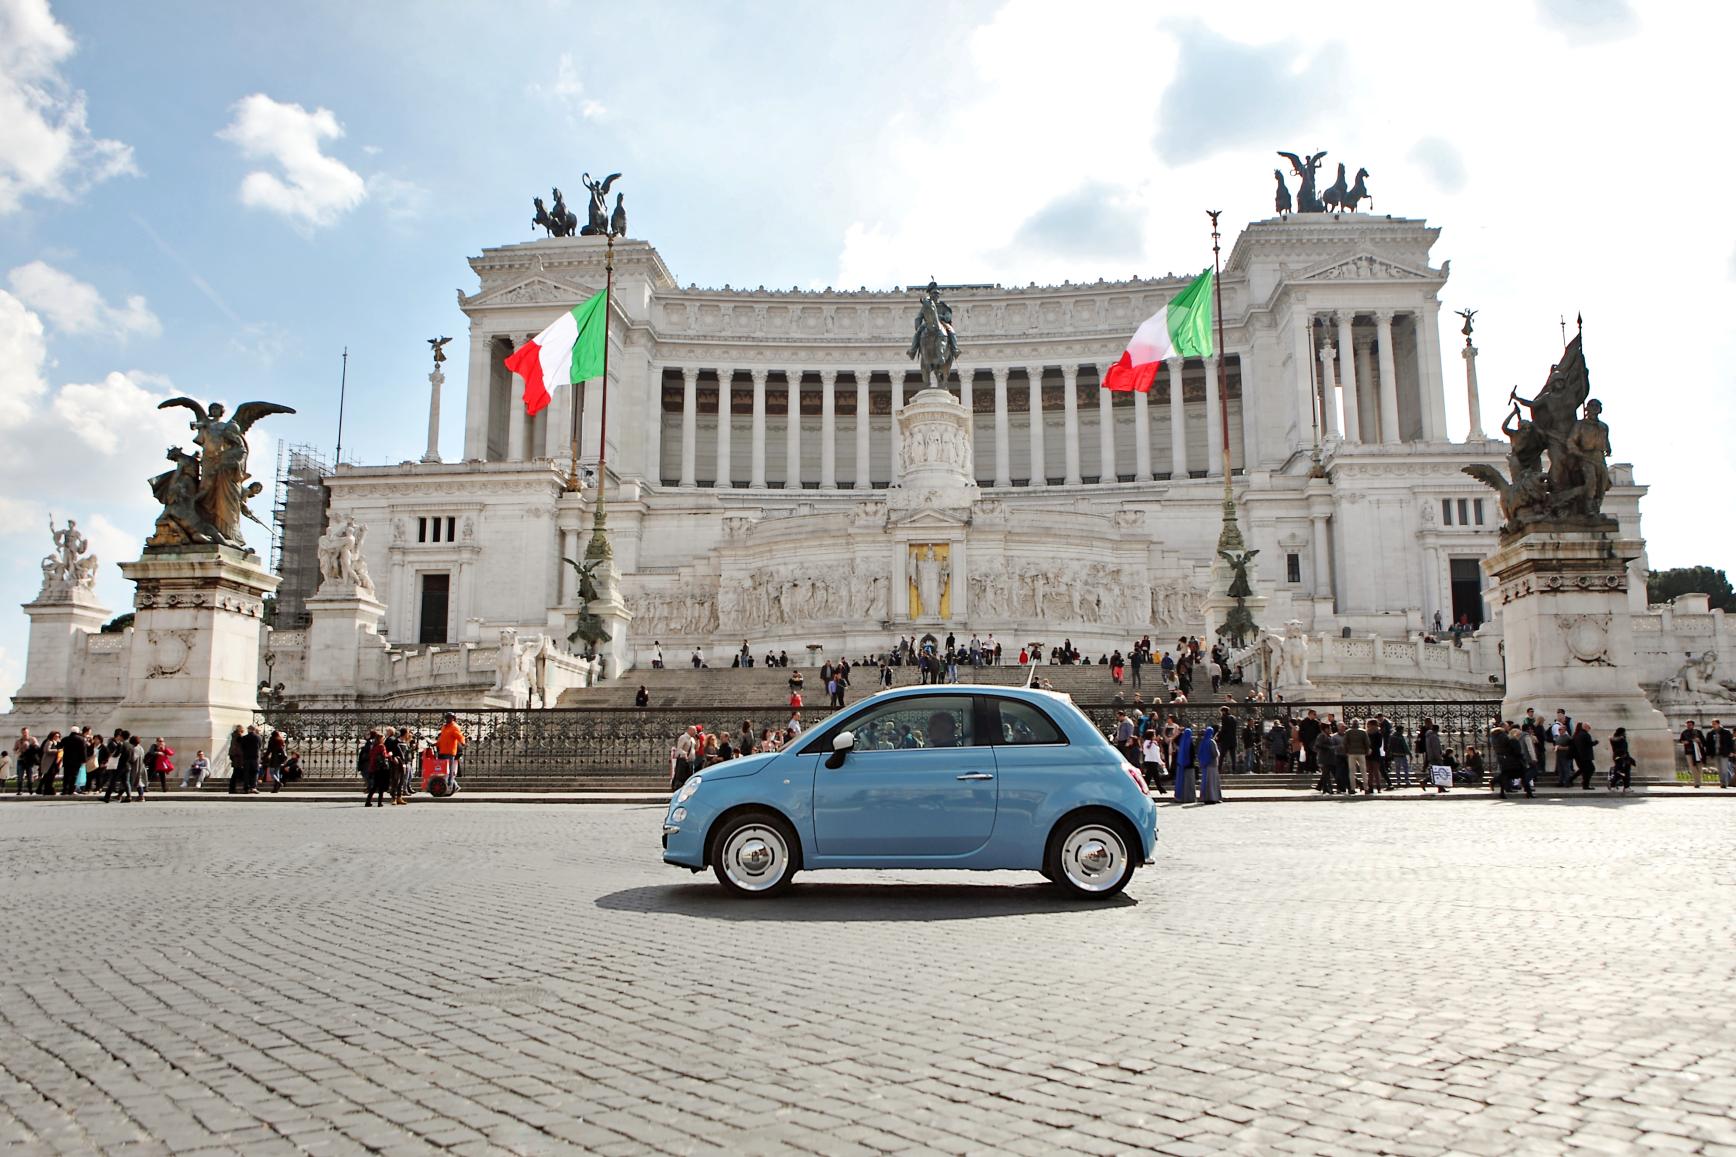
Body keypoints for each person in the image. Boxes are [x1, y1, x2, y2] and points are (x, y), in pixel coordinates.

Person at [362, 730, 393, 807]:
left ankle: (368, 801)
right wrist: (389, 754)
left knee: (375, 786)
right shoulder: (381, 746)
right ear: (380, 739)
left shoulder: (373, 746)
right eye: (383, 738)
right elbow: (384, 755)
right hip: (382, 768)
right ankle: (379, 802)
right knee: (381, 786)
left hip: (375, 767)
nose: (384, 739)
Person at [436, 712, 465, 790]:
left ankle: (451, 785)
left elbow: (460, 736)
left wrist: (463, 742)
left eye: (450, 717)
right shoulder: (444, 727)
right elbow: (441, 738)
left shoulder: (455, 727)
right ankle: (455, 786)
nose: (448, 719)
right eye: (447, 717)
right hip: (442, 750)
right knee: (444, 770)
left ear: (453, 718)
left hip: (450, 751)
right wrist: (436, 743)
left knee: (450, 770)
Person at [1198, 725, 1223, 804]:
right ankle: (1212, 798)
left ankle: (1205, 797)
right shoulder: (1212, 741)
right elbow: (1215, 753)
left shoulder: (1203, 742)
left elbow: (1199, 753)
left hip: (1205, 765)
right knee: (1212, 782)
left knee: (1206, 781)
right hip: (1212, 764)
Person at [1571, 721, 1598, 791]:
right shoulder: (1586, 735)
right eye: (1589, 727)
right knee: (1591, 769)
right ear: (1585, 727)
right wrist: (1595, 742)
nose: (1590, 729)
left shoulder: (1578, 735)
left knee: (1585, 770)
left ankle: (1584, 783)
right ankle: (1585, 784)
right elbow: (1588, 744)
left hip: (1580, 756)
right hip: (1586, 756)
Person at [1173, 727, 1197, 803]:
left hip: (1181, 765)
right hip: (1190, 766)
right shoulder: (1190, 743)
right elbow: (1193, 755)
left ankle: (1181, 797)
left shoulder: (1182, 743)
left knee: (1182, 782)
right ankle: (1189, 798)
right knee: (1189, 783)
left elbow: (1175, 740)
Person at [1680, 719, 1706, 787]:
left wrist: (1699, 740)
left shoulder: (1698, 732)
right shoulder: (1684, 732)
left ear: (1693, 725)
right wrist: (1689, 741)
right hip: (1689, 751)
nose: (1688, 726)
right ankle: (1697, 782)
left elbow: (1704, 741)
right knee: (1692, 767)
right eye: (1687, 725)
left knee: (1699, 767)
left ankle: (1698, 782)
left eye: (1690, 725)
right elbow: (1681, 741)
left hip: (1698, 752)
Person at [1140, 728, 1167, 793]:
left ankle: (1160, 789)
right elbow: (1156, 755)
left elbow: (1144, 752)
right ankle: (1144, 789)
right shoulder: (1154, 744)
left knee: (1155, 775)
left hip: (1147, 760)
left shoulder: (1145, 743)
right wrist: (1161, 762)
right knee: (1149, 777)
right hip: (1153, 761)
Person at [1711, 719, 1735, 790]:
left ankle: (1724, 783)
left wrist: (1731, 751)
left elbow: (1730, 743)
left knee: (1724, 769)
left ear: (1718, 724)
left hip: (1724, 753)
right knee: (1719, 769)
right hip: (1716, 753)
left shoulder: (1726, 732)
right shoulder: (1711, 733)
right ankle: (1722, 782)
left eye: (1714, 724)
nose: (1713, 725)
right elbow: (1709, 744)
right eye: (1712, 724)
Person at [13, 728, 39, 795]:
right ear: (21, 733)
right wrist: (19, 751)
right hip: (21, 760)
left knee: (30, 775)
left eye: (26, 732)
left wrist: (29, 746)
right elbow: (14, 750)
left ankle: (30, 790)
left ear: (28, 732)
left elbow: (37, 747)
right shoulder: (18, 741)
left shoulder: (32, 739)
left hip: (29, 760)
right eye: (23, 732)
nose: (25, 734)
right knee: (20, 776)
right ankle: (19, 790)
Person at [1609, 727, 1633, 792]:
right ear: (1622, 733)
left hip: (1616, 757)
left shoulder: (1613, 740)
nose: (1625, 733)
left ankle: (1614, 786)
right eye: (1624, 732)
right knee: (1625, 772)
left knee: (1620, 772)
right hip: (1623, 757)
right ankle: (1625, 787)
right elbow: (1624, 750)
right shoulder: (1622, 740)